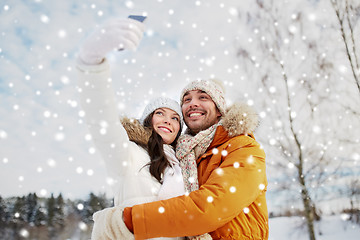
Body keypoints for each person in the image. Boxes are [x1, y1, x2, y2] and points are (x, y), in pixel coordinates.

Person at [77, 17, 211, 240]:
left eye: (175, 118)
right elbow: (102, 120)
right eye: (160, 113)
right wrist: (91, 63)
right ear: (148, 120)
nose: (168, 121)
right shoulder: (128, 153)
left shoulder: (186, 165)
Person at [91, 78, 269, 239]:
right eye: (187, 99)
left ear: (219, 111)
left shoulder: (244, 147)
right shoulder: (186, 157)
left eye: (203, 97)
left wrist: (129, 221)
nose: (193, 104)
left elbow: (210, 208)